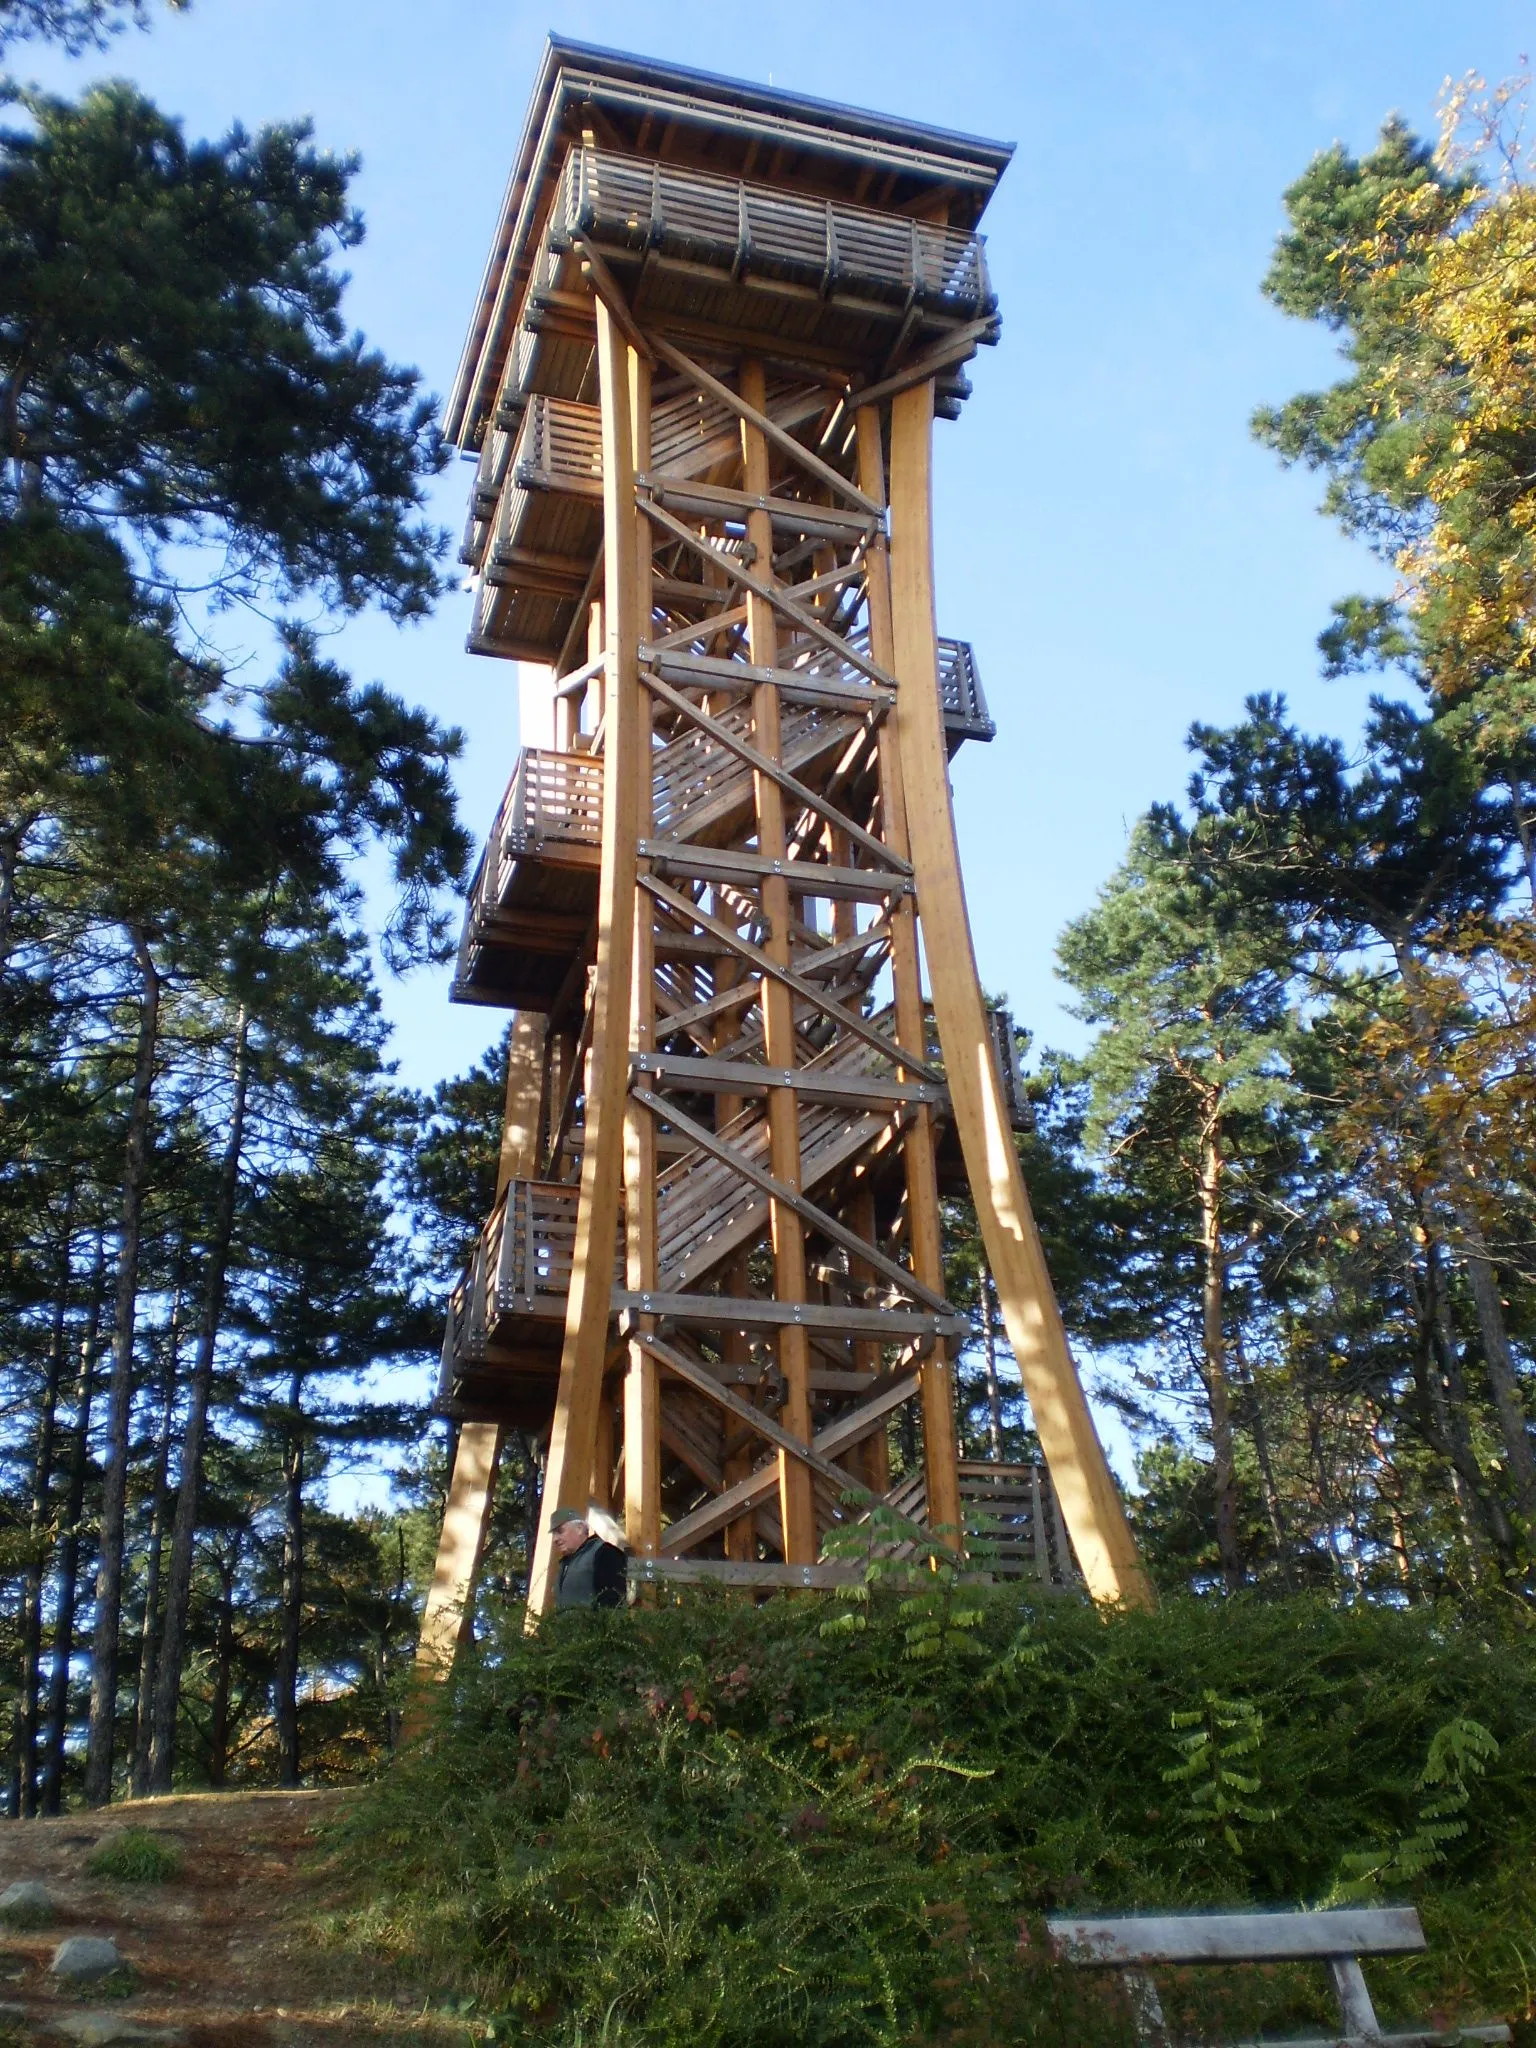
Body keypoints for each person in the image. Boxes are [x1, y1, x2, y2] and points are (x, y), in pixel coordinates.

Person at [550, 1507, 627, 1610]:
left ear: (579, 1528)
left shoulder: (604, 1553)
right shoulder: (564, 1564)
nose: (555, 1539)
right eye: (553, 1534)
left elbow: (612, 1605)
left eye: (560, 1531)